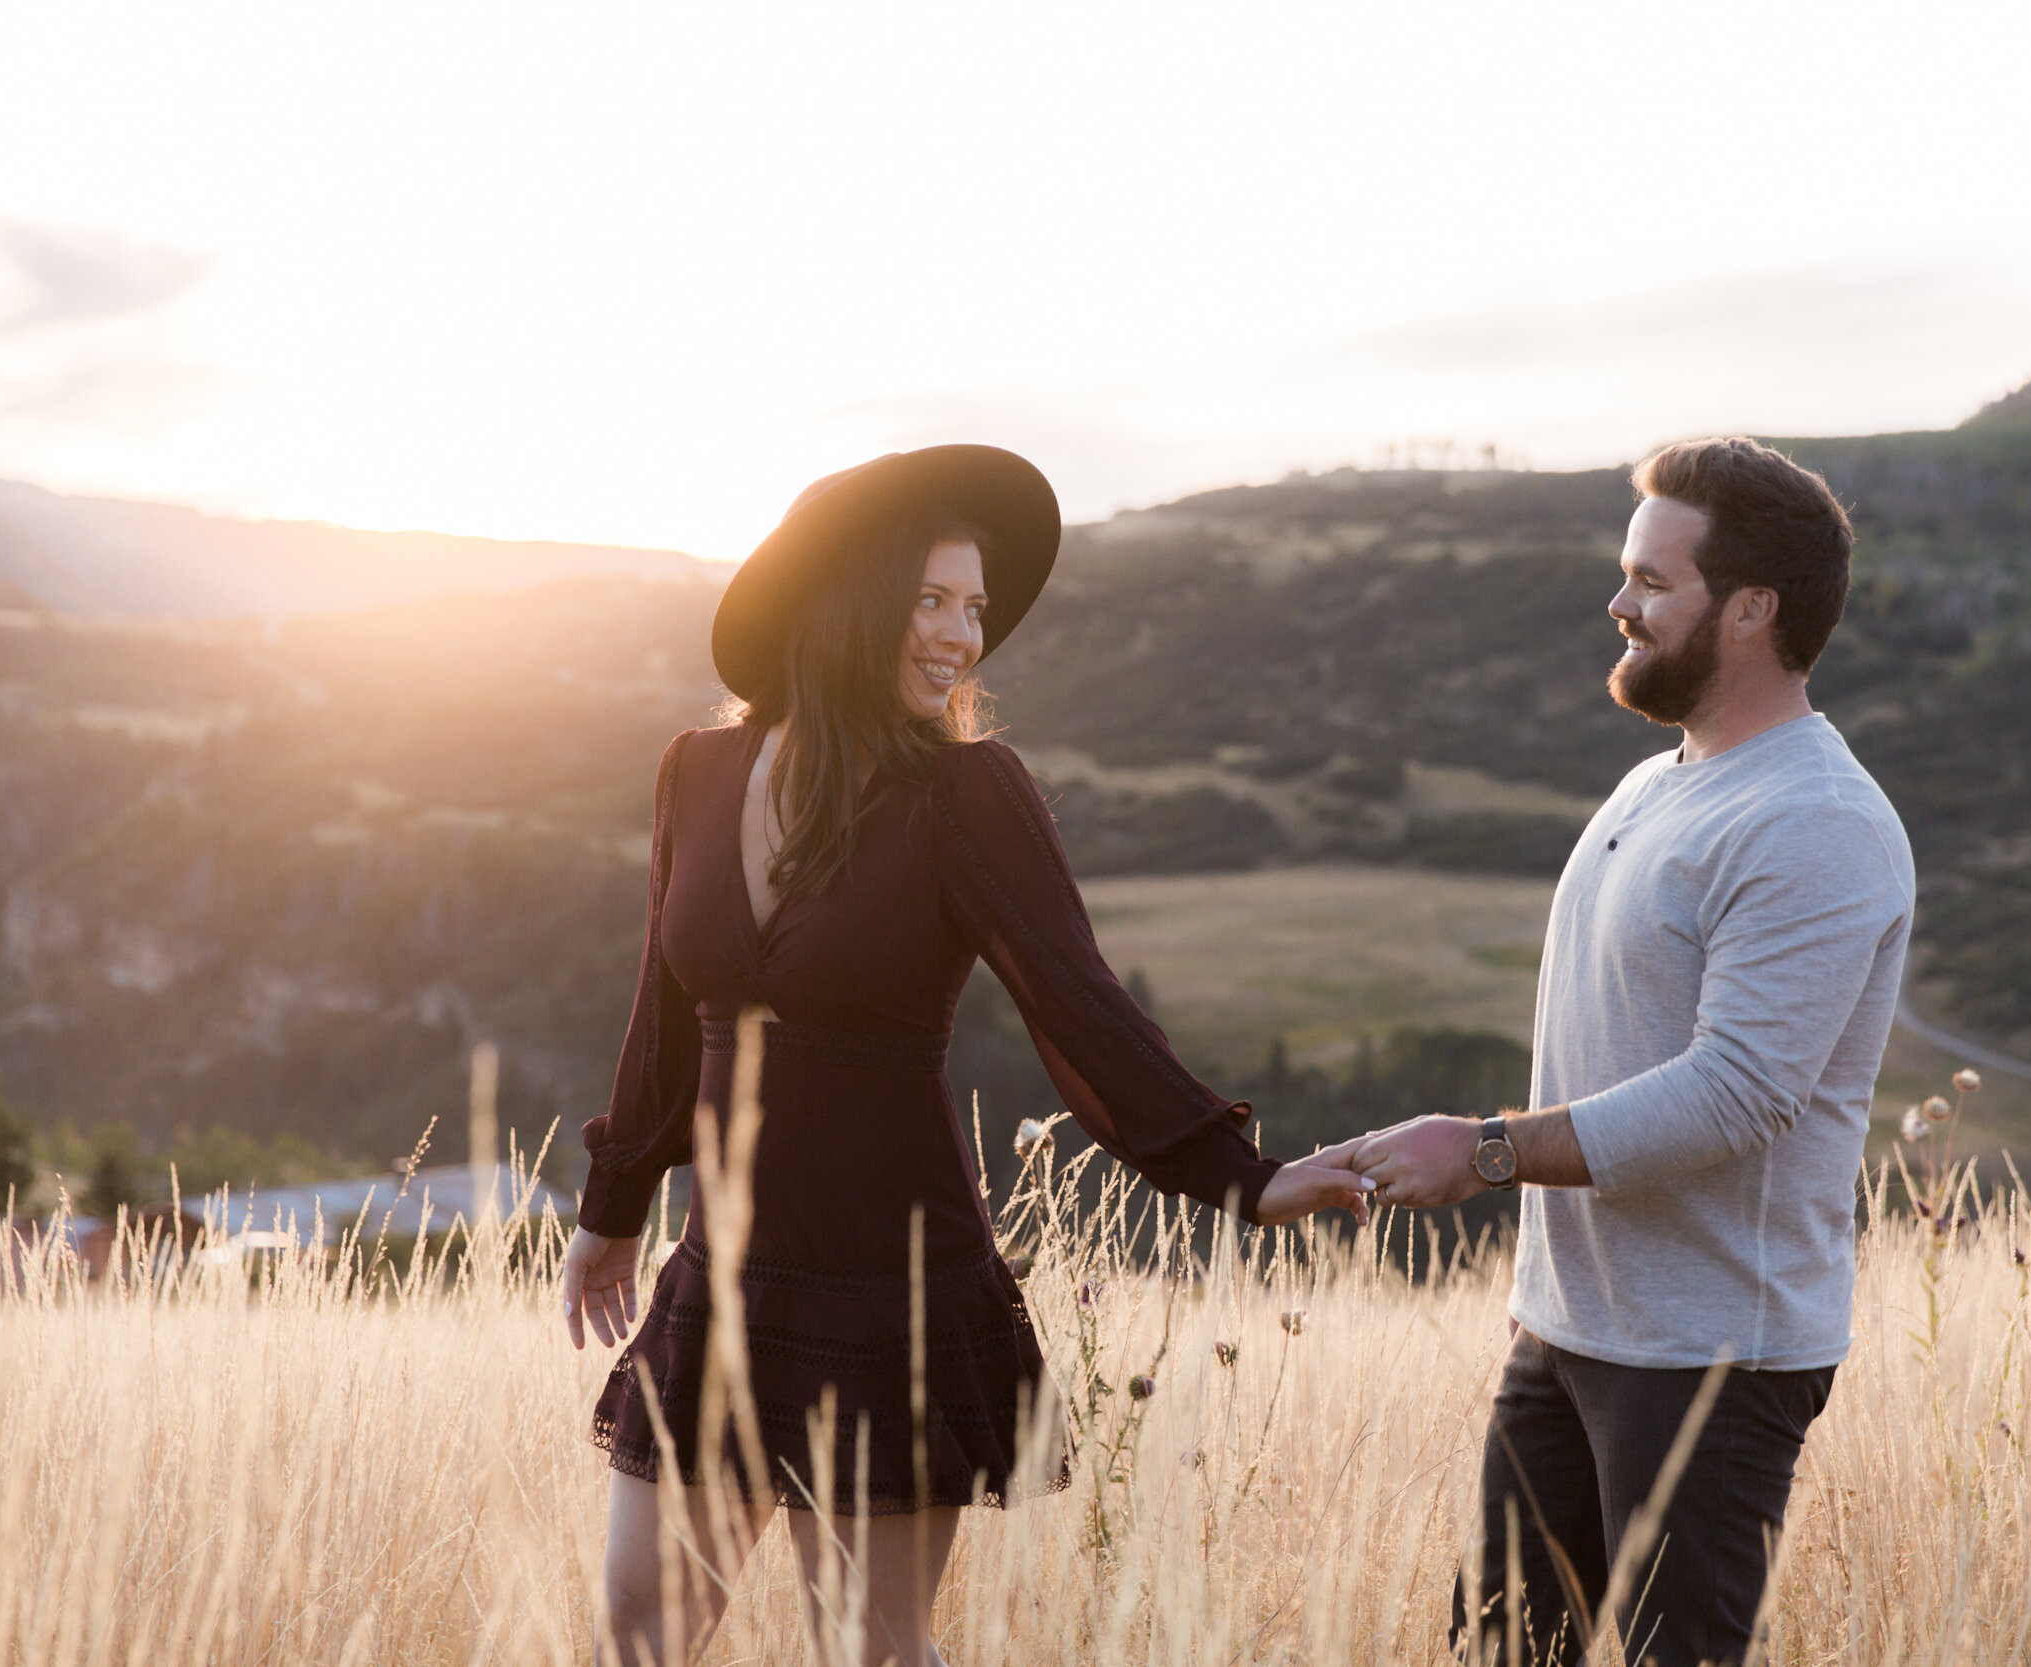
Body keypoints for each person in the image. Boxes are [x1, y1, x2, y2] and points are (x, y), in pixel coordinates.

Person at [557, 445, 1373, 1667]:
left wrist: (1241, 1177)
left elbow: (1078, 1000)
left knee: (869, 1648)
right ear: (848, 599)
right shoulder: (701, 768)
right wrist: (614, 1201)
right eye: (931, 599)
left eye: (975, 607)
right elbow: (667, 1015)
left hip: (898, 1287)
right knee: (642, 1622)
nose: (961, 635)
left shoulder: (965, 791)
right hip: (723, 1277)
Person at [1336, 438, 1914, 1666]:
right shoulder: (1657, 783)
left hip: (1708, 1358)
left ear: (1751, 608)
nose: (1619, 604)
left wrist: (1485, 1151)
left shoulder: (1814, 818)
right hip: (1565, 1330)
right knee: (1496, 1652)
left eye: (1652, 580)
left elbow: (1734, 1093)